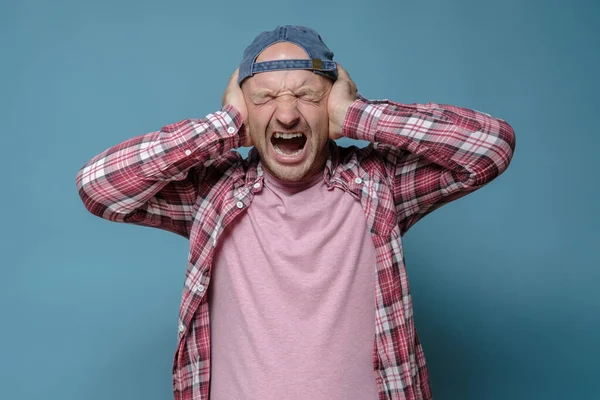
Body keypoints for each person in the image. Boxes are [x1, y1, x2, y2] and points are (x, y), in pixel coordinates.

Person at [76, 25, 516, 400]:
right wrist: (224, 126)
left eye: (306, 95)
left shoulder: (382, 184)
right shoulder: (211, 192)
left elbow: (490, 148)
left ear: (332, 107)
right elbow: (99, 187)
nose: (286, 114)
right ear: (245, 111)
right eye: (265, 98)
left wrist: (360, 115)